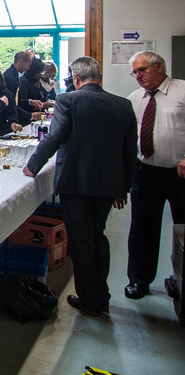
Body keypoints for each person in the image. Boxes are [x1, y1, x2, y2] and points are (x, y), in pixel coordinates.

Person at [23, 56, 137, 316]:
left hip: (76, 181)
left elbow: (55, 136)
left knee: (82, 240)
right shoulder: (123, 105)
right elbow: (131, 151)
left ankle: (91, 299)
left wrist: (33, 165)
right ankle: (101, 294)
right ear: (99, 76)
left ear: (75, 78)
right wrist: (124, 188)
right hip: (109, 183)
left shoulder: (68, 100)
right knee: (98, 235)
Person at [125, 51, 185, 300]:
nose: (138, 76)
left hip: (179, 174)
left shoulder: (182, 91)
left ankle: (180, 280)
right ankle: (139, 280)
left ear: (158, 66)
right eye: (135, 72)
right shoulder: (134, 99)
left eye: (142, 70)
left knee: (183, 229)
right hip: (145, 172)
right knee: (142, 229)